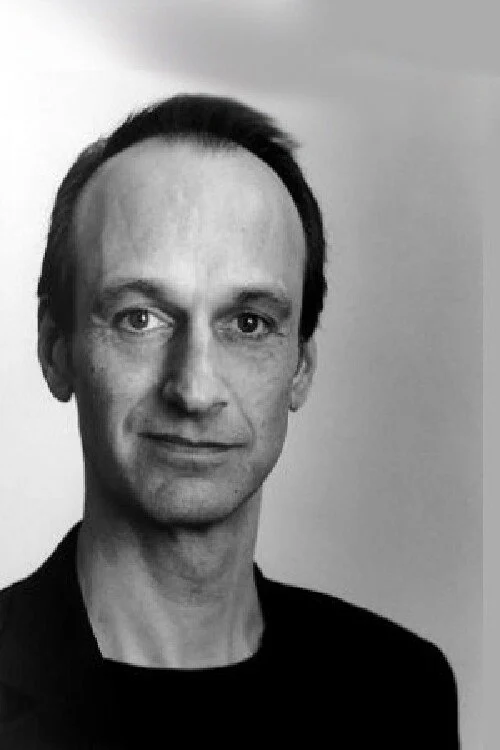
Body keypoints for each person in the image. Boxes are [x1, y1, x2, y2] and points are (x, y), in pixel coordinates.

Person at [0, 94, 460, 748]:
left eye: (248, 324)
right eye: (139, 318)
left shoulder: (403, 692)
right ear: (56, 352)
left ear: (300, 368)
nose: (194, 390)